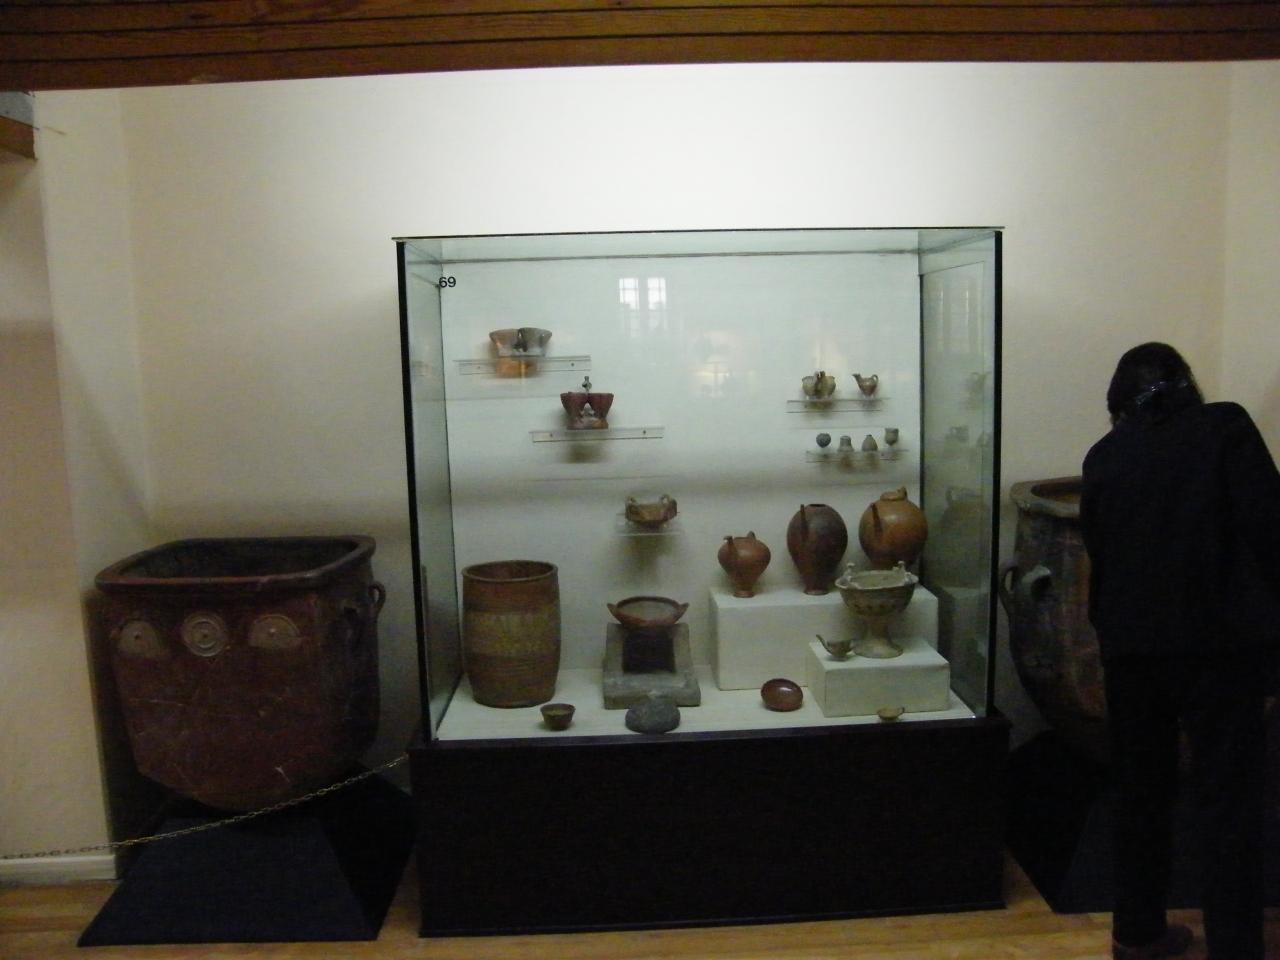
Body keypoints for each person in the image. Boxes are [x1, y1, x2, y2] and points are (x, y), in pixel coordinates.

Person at [1080, 342, 1280, 960]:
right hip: (1222, 648)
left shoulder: (1105, 457)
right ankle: (1236, 946)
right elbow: (1270, 532)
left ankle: (1137, 932)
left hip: (1133, 650)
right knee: (1230, 801)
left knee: (1139, 794)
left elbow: (1100, 556)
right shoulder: (1225, 428)